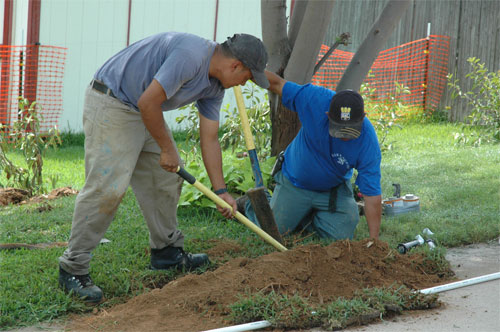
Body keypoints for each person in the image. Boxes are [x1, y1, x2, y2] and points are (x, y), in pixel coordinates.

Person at [58, 32, 269, 304]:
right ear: (236, 65)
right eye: (248, 77)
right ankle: (73, 268)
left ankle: (166, 252)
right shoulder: (191, 56)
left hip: (143, 107)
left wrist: (221, 191)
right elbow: (149, 102)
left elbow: (210, 138)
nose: (245, 83)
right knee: (107, 188)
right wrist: (167, 149)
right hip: (113, 101)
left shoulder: (216, 86)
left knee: (167, 178)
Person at [243, 71, 381, 241]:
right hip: (295, 183)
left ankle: (304, 215)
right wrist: (247, 70)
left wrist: (375, 241)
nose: (344, 136)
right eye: (339, 129)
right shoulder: (314, 100)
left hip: (333, 190)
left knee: (341, 238)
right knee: (272, 234)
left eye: (351, 130)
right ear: (328, 115)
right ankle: (250, 204)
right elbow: (277, 84)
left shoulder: (368, 141)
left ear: (363, 118)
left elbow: (372, 195)